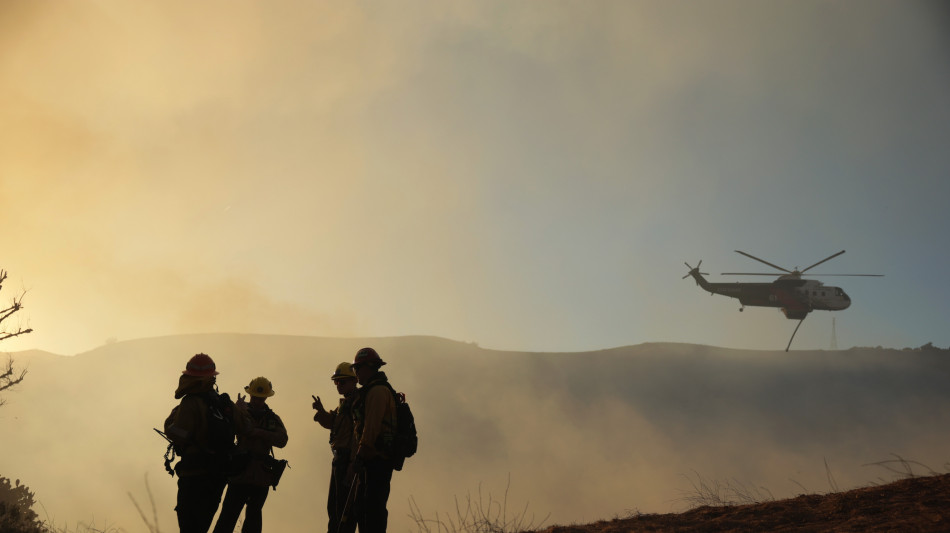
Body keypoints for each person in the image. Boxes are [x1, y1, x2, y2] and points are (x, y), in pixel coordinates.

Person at [164, 353, 243, 533]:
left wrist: (170, 421)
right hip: (218, 475)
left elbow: (179, 435)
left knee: (189, 527)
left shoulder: (190, 403)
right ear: (212, 376)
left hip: (193, 475)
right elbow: (244, 426)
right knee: (204, 524)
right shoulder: (223, 403)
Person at [212, 377, 289, 533]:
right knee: (227, 518)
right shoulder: (238, 411)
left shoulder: (273, 419)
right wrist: (238, 411)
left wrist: (257, 432)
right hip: (239, 473)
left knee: (253, 522)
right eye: (255, 397)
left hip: (261, 477)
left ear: (266, 398)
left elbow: (282, 440)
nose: (257, 401)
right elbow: (232, 430)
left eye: (261, 399)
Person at [350, 347, 398, 533]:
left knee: (373, 511)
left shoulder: (377, 391)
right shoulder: (374, 390)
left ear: (368, 368)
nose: (356, 374)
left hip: (377, 459)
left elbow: (371, 427)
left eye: (357, 369)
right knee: (363, 508)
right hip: (372, 459)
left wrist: (360, 454)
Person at [312, 362, 360, 533]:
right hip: (340, 460)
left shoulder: (357, 403)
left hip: (347, 461)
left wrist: (352, 464)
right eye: (336, 382)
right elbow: (334, 424)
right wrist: (321, 412)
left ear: (354, 380)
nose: (338, 385)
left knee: (344, 510)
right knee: (334, 508)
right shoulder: (345, 404)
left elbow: (358, 436)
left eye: (342, 382)